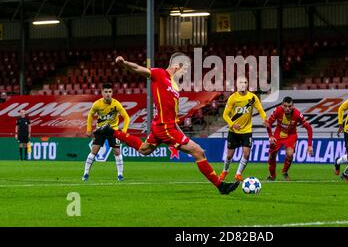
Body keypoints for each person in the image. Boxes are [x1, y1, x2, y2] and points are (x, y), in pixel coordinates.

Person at [95, 53, 240, 195]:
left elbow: (174, 119)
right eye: (186, 68)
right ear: (177, 65)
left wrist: (182, 136)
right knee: (198, 152)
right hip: (164, 126)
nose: (186, 72)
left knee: (144, 149)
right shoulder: (159, 74)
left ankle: (111, 131)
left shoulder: (175, 88)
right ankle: (221, 186)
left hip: (164, 125)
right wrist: (125, 63)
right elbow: (139, 68)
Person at [220, 76, 267, 182]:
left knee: (246, 153)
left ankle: (238, 174)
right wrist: (232, 124)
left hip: (247, 131)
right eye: (241, 82)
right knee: (229, 155)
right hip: (234, 131)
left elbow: (260, 110)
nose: (243, 84)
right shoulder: (233, 98)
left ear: (247, 84)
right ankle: (225, 171)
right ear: (237, 84)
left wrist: (265, 119)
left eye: (245, 82)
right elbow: (225, 115)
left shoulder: (253, 97)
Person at [82, 83, 130, 181]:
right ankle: (85, 173)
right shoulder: (97, 104)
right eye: (106, 92)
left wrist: (124, 132)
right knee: (94, 150)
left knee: (117, 151)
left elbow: (126, 117)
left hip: (113, 130)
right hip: (101, 130)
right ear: (102, 93)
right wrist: (88, 129)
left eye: (109, 92)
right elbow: (90, 116)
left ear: (112, 93)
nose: (108, 94)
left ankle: (120, 175)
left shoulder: (116, 104)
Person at [265, 96, 313, 181]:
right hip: (278, 134)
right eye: (285, 106)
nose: (288, 108)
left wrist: (309, 145)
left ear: (293, 106)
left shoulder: (297, 114)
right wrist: (270, 136)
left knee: (290, 154)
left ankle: (284, 172)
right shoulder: (278, 111)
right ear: (282, 105)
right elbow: (268, 123)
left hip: (291, 135)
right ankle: (272, 176)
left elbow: (309, 128)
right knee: (272, 156)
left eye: (290, 106)